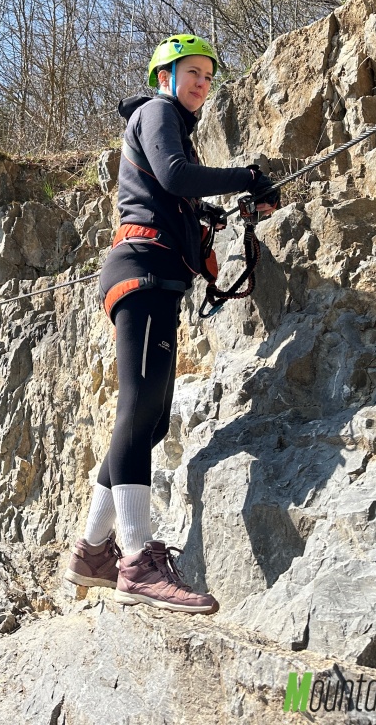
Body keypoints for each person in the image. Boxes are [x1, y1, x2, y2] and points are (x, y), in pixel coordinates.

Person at [64, 34, 279, 614]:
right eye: (192, 72)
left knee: (151, 420)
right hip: (143, 272)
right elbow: (178, 175)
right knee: (138, 412)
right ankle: (135, 562)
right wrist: (247, 176)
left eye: (208, 75)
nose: (202, 82)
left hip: (154, 277)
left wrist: (206, 213)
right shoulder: (158, 112)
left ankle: (92, 551)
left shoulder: (168, 125)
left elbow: (172, 190)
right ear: (166, 77)